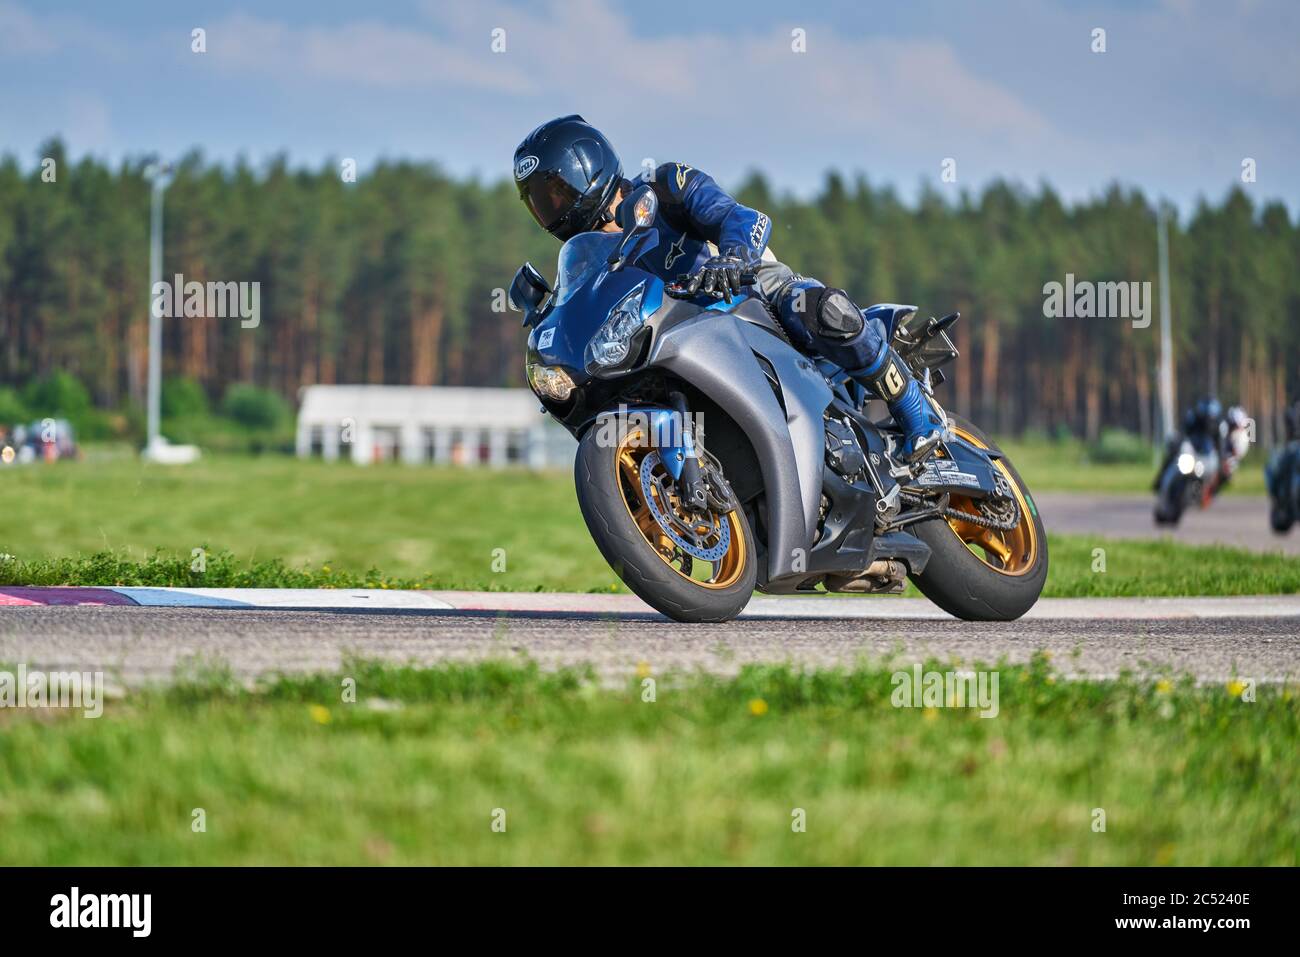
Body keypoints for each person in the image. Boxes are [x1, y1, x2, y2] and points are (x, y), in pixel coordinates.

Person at [512, 115, 946, 463]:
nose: (548, 208)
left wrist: (734, 256)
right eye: (537, 202)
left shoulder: (665, 186)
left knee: (823, 310)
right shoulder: (589, 259)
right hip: (675, 342)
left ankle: (915, 412)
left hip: (744, 298)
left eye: (554, 192)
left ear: (587, 167)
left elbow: (742, 217)